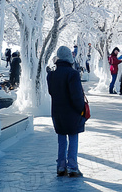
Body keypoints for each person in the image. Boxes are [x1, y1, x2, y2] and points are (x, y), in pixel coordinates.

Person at [47, 45, 86, 177]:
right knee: (73, 138)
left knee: (61, 139)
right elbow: (76, 96)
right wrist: (81, 109)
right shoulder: (73, 74)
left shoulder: (51, 75)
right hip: (72, 113)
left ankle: (61, 166)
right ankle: (73, 167)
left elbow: (51, 92)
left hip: (57, 112)